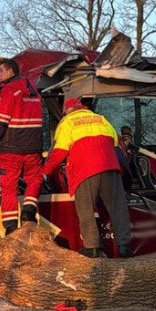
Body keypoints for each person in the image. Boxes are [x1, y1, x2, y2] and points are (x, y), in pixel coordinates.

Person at [42, 98, 133, 258]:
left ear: (67, 111)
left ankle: (92, 247)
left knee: (86, 208)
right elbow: (116, 142)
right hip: (110, 165)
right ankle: (124, 246)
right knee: (117, 206)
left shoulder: (67, 122)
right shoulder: (101, 119)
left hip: (85, 169)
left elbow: (60, 151)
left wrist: (45, 171)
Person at [0, 59, 44, 234]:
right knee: (34, 179)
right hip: (33, 148)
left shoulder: (9, 91)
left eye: (1, 71)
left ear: (11, 72)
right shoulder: (35, 93)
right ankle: (28, 212)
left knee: (8, 186)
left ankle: (10, 227)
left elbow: (2, 121)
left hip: (11, 149)